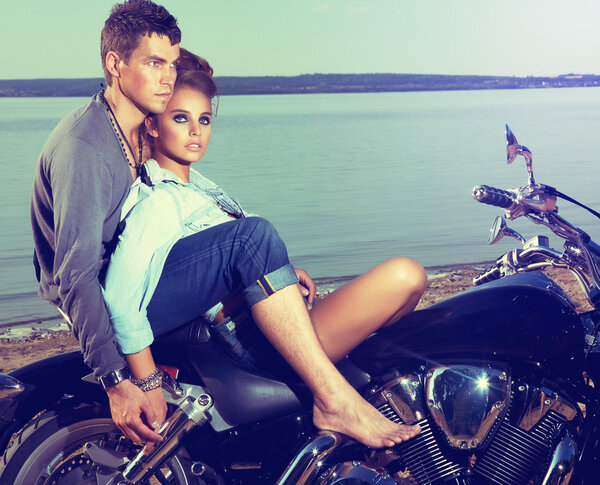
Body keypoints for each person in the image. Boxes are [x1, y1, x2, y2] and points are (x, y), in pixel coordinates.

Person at [102, 48, 428, 448]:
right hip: (252, 344)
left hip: (278, 324)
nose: (195, 131)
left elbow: (234, 261)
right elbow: (118, 298)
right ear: (152, 127)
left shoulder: (200, 189)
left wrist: (280, 275)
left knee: (411, 278)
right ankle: (333, 400)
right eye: (180, 118)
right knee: (398, 274)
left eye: (204, 119)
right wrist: (146, 379)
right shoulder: (158, 200)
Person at [31, 0, 181, 444]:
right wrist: (116, 382)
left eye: (172, 64)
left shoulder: (137, 127)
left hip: (129, 276)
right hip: (99, 292)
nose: (168, 77)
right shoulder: (86, 148)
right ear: (115, 63)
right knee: (248, 245)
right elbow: (74, 275)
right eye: (154, 63)